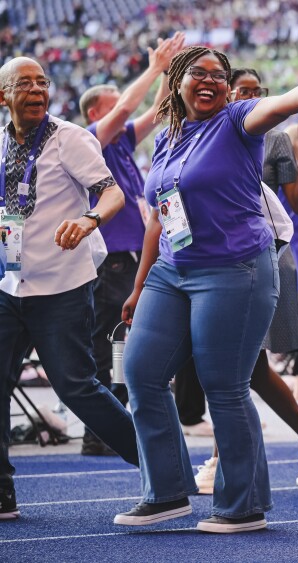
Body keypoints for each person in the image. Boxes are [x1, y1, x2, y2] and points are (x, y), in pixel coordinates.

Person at [115, 44, 298, 533]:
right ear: (177, 81)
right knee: (140, 374)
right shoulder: (169, 136)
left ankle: (243, 505)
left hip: (233, 270)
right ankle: (167, 492)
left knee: (224, 385)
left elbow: (281, 102)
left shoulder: (238, 119)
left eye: (218, 75)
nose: (210, 81)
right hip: (171, 271)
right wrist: (138, 286)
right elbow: (159, 216)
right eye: (197, 73)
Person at [187, 70, 298, 493]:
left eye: (259, 92)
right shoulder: (198, 135)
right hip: (209, 259)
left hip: (257, 258)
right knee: (244, 368)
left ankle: (226, 462)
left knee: (232, 365)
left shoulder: (274, 140)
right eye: (245, 91)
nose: (252, 97)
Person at [0, 56, 137, 520]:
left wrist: (88, 218)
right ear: (4, 97)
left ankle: (163, 467)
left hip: (61, 286)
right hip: (8, 287)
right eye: (25, 84)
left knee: (78, 387)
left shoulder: (70, 139)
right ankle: (2, 492)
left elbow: (112, 192)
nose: (37, 89)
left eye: (43, 82)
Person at [78, 32, 185, 456]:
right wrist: (155, 67)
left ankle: (112, 424)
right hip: (112, 257)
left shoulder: (120, 140)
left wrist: (167, 74)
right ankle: (99, 431)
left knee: (122, 337)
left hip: (129, 252)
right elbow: (127, 106)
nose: (123, 105)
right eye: (113, 102)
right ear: (95, 111)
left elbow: (157, 111)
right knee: (110, 338)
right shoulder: (92, 136)